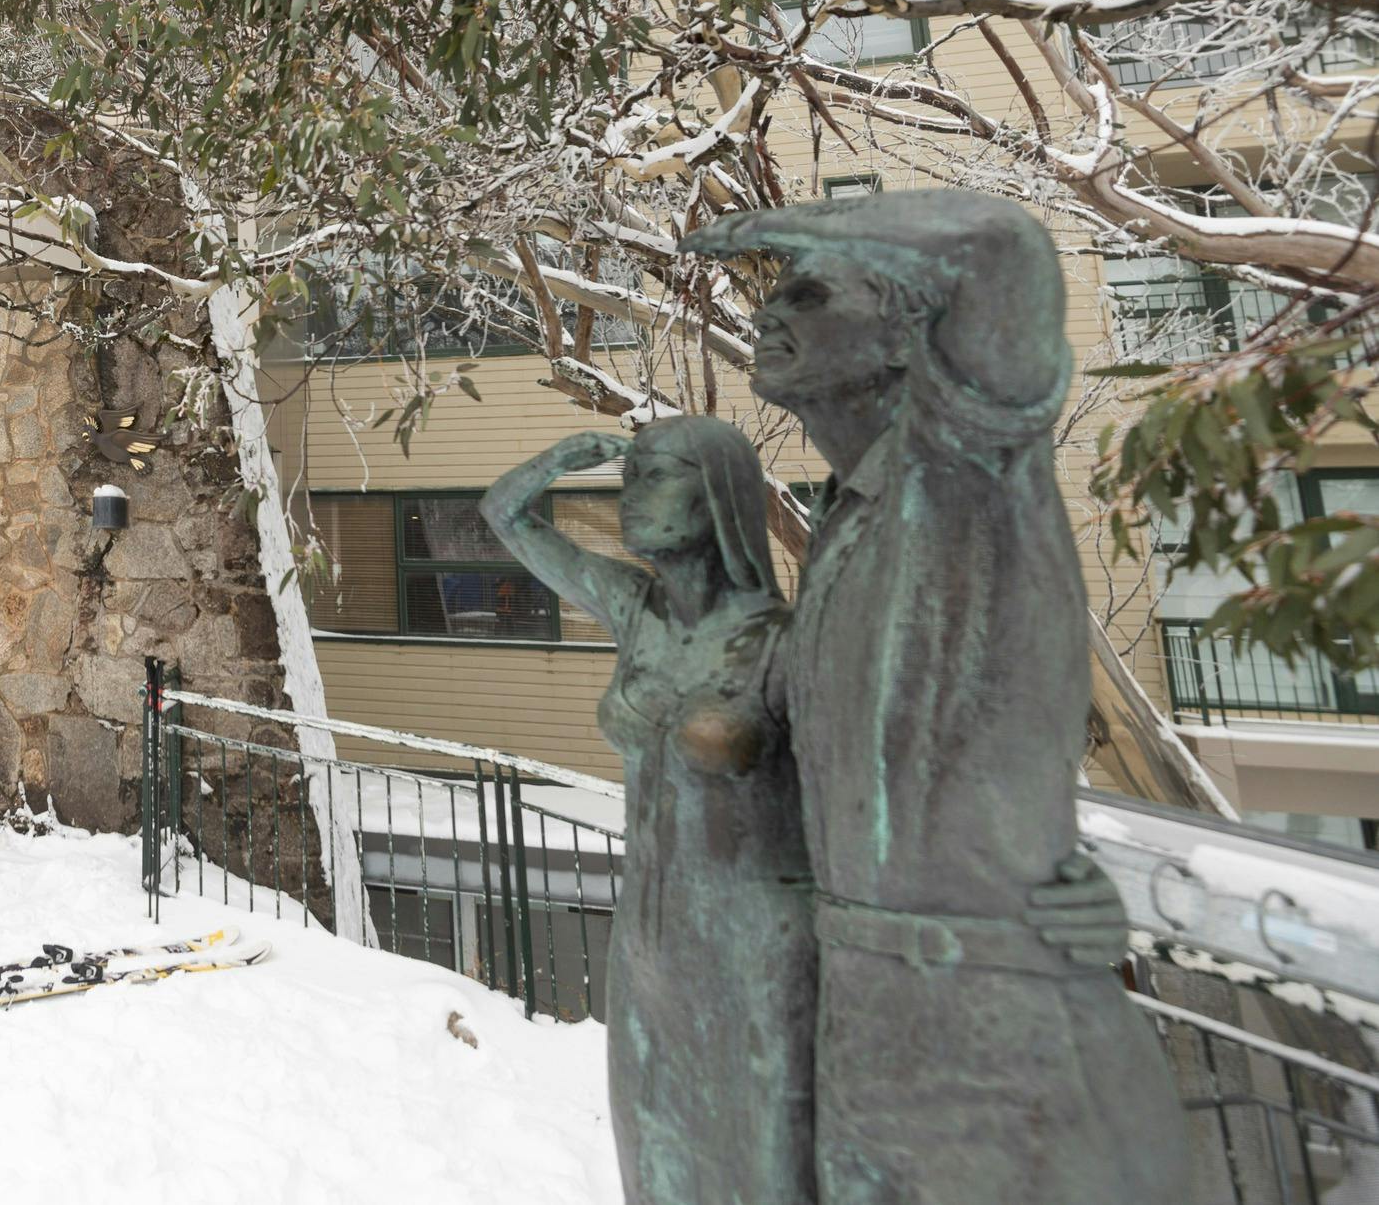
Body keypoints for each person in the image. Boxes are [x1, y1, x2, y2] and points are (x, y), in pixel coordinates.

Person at [681, 191, 1191, 1205]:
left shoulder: (967, 477)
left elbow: (1005, 250)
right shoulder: (844, 526)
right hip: (866, 1028)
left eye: (810, 292)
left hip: (995, 1034)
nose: (768, 311)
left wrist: (789, 222)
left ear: (905, 333)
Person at [483, 419, 814, 1205]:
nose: (629, 494)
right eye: (627, 476)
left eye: (655, 475)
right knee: (651, 1155)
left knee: (768, 1171)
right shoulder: (636, 609)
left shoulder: (787, 642)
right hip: (649, 939)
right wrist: (562, 455)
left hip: (760, 945)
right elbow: (504, 513)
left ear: (720, 496)